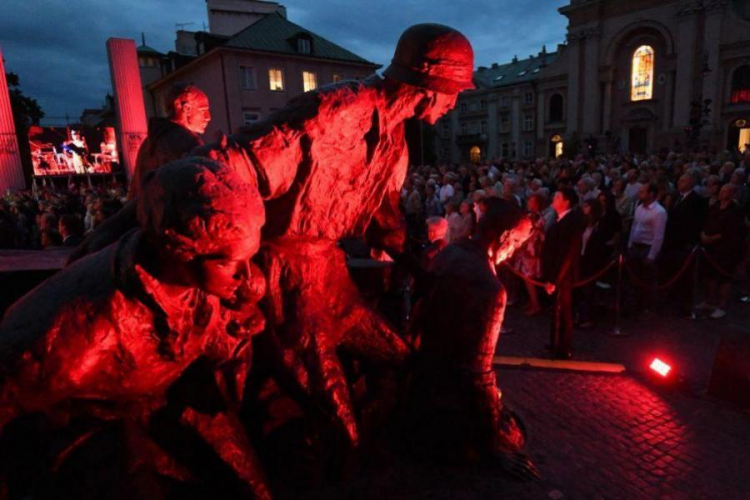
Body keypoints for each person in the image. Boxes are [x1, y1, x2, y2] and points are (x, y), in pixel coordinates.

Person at [0, 159, 270, 499]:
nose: (247, 276)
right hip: (87, 428)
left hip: (164, 396)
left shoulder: (205, 282)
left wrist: (233, 338)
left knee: (253, 488)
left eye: (249, 259)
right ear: (178, 251)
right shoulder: (87, 329)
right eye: (230, 263)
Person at [403, 198, 537, 479]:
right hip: (450, 409)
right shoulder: (489, 288)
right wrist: (493, 444)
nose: (513, 253)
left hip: (420, 389)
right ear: (503, 237)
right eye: (516, 243)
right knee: (514, 429)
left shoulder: (447, 254)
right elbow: (478, 374)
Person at [129, 84, 212, 199]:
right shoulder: (187, 142)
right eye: (203, 111)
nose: (208, 117)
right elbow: (207, 190)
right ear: (185, 108)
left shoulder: (149, 142)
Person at [541, 188, 585, 359]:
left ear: (566, 202)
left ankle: (563, 346)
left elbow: (567, 254)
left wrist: (555, 279)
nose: (554, 198)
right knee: (557, 308)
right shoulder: (560, 219)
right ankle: (555, 341)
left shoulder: (570, 222)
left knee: (564, 308)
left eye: (557, 196)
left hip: (563, 274)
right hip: (556, 272)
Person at [699, 184, 747, 319]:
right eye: (722, 190)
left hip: (725, 249)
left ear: (732, 194)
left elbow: (732, 230)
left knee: (723, 278)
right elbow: (706, 221)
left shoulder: (736, 210)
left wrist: (713, 238)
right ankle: (709, 301)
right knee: (710, 275)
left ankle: (721, 305)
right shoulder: (714, 206)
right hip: (710, 248)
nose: (722, 193)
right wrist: (703, 234)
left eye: (726, 191)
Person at [664, 173, 708, 315]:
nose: (679, 182)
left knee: (686, 275)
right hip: (674, 241)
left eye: (682, 180)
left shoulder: (697, 200)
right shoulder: (678, 197)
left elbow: (695, 223)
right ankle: (674, 298)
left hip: (685, 242)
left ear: (690, 183)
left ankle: (684, 304)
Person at [627, 182, 668, 314]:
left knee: (648, 280)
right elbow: (634, 227)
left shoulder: (659, 212)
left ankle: (648, 308)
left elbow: (658, 236)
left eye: (643, 191)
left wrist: (652, 255)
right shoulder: (639, 208)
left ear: (651, 194)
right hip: (636, 246)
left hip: (647, 247)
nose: (640, 193)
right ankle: (635, 305)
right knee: (635, 278)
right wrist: (630, 244)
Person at [511, 193, 547, 316]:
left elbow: (532, 234)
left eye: (531, 201)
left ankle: (535, 304)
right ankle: (532, 301)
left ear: (537, 203)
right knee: (525, 277)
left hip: (531, 250)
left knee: (529, 278)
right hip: (526, 249)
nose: (528, 202)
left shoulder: (535, 217)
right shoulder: (532, 215)